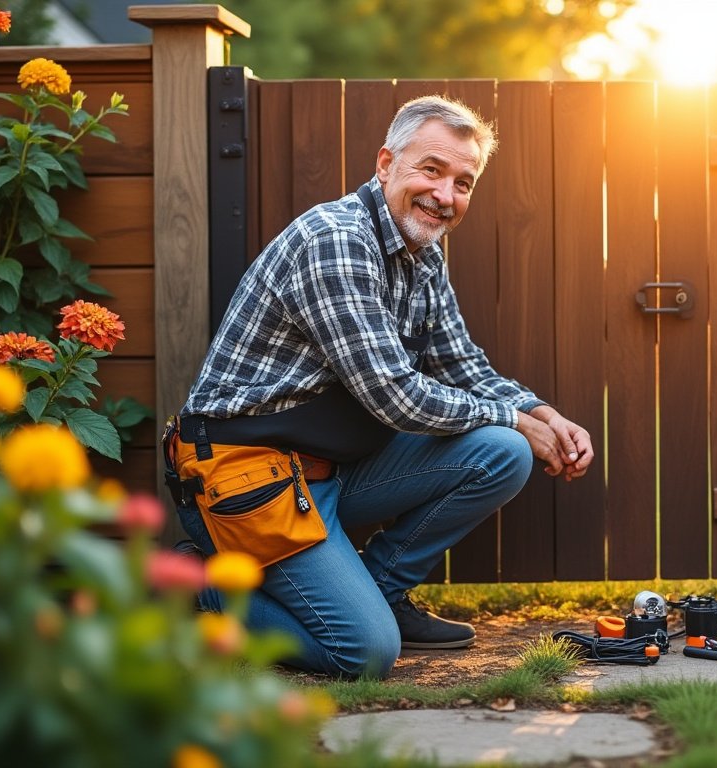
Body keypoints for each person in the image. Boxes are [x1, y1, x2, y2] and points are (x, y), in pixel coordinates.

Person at [164, 95, 593, 678]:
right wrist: (517, 420)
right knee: (363, 654)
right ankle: (198, 588)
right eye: (432, 170)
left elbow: (460, 362)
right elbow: (396, 394)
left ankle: (380, 593)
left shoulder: (422, 253)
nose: (445, 195)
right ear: (386, 163)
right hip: (246, 475)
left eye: (463, 183)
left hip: (330, 468)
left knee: (502, 454)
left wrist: (541, 414)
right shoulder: (336, 240)